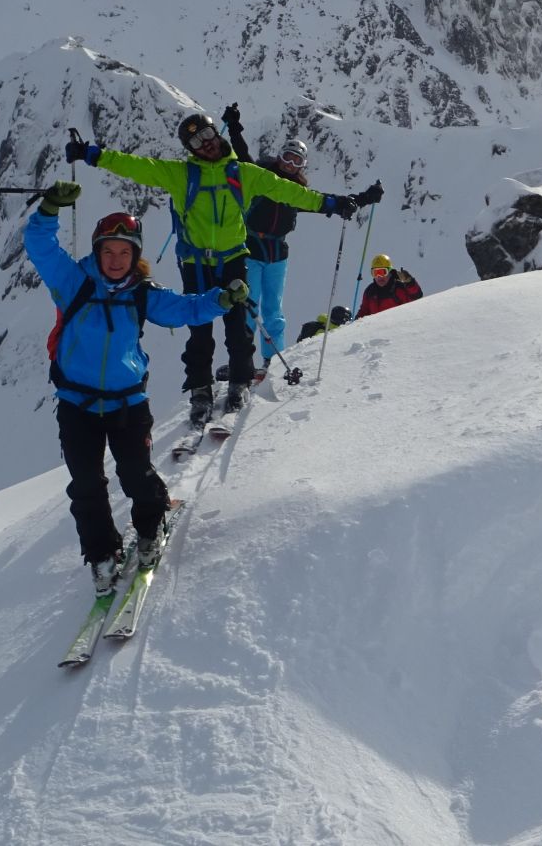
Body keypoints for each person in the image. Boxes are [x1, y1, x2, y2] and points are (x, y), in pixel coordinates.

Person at [67, 114, 379, 427]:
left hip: (232, 259)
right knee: (199, 330)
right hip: (195, 263)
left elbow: (288, 191)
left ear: (217, 133)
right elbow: (137, 166)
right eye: (196, 140)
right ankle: (200, 390)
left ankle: (240, 382)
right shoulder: (180, 174)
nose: (206, 143)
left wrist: (331, 203)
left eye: (207, 134)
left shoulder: (242, 173)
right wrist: (93, 155)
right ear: (190, 148)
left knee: (237, 325)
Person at [26, 179, 250, 592]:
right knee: (86, 485)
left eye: (124, 251)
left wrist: (220, 299)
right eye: (108, 251)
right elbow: (40, 245)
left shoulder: (143, 294)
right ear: (97, 252)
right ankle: (100, 554)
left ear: (135, 256)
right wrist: (49, 209)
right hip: (77, 405)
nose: (115, 259)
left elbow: (186, 308)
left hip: (128, 403)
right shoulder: (74, 282)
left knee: (135, 472)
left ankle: (151, 525)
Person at [220, 103, 330, 372]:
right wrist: (234, 126)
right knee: (247, 304)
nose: (290, 164)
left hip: (277, 253)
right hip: (252, 249)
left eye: (297, 161)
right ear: (280, 156)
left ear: (302, 166)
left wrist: (359, 200)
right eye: (287, 157)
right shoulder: (261, 176)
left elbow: (324, 204)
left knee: (273, 310)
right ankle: (242, 361)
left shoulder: (297, 192)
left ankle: (273, 360)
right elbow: (242, 157)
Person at [356, 253, 423, 318]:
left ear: (390, 272)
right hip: (375, 328)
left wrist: (410, 282)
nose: (379, 276)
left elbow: (417, 298)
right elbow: (363, 312)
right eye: (376, 273)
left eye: (382, 272)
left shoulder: (398, 288)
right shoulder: (370, 292)